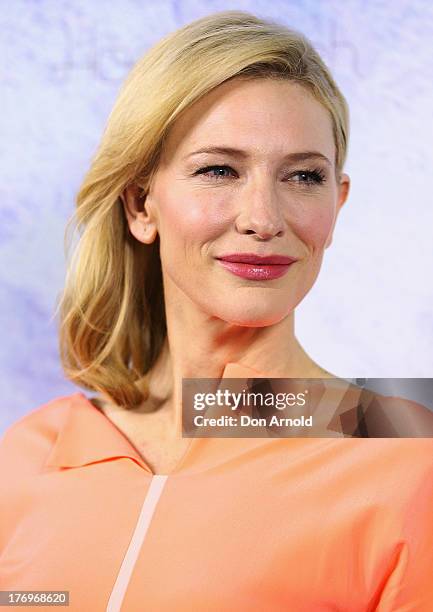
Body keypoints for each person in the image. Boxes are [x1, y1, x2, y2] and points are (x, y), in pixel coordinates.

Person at [1, 10, 432, 611]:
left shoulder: (405, 454)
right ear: (140, 204)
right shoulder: (27, 457)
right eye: (219, 170)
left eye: (303, 176)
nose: (263, 218)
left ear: (338, 204)